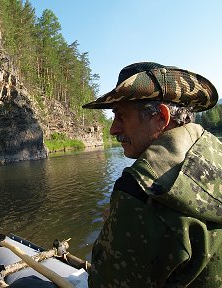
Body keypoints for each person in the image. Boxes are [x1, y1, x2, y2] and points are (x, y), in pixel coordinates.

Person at [82, 62, 222, 287]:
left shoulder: (138, 191)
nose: (113, 129)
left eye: (121, 116)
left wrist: (113, 227)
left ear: (161, 118)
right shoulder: (216, 153)